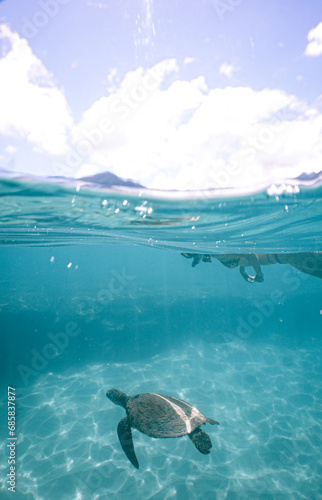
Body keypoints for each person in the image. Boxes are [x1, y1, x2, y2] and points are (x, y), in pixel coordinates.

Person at [181, 252, 322, 282]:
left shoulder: (219, 253)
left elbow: (251, 256)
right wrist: (242, 271)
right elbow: (242, 257)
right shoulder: (217, 255)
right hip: (281, 258)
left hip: (282, 256)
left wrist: (259, 273)